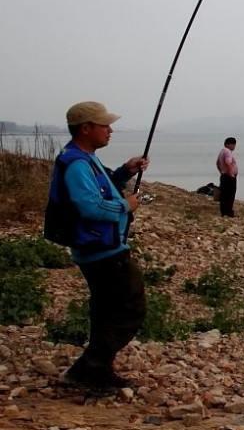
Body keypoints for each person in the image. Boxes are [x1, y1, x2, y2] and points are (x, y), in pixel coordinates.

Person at [48, 101, 150, 389]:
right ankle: (88, 368)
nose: (110, 130)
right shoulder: (77, 163)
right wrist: (125, 206)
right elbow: (89, 206)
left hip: (99, 248)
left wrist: (125, 171)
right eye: (104, 125)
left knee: (105, 311)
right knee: (132, 307)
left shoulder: (83, 158)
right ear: (85, 128)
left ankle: (97, 369)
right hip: (101, 251)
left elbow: (102, 186)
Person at [215, 137, 237, 217]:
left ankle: (223, 212)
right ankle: (229, 212)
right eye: (234, 145)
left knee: (224, 195)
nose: (234, 147)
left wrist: (221, 172)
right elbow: (228, 163)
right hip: (229, 177)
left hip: (224, 175)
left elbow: (217, 163)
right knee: (230, 194)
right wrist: (231, 174)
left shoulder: (222, 151)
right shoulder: (228, 152)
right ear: (230, 144)